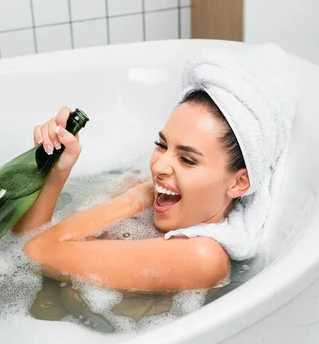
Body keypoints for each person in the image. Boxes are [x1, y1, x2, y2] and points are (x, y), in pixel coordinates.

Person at [17, 91, 250, 292]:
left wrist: (137, 197)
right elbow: (22, 241)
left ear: (238, 183)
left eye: (187, 160)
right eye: (161, 145)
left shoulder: (203, 256)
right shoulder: (162, 198)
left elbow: (34, 250)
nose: (158, 167)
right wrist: (57, 171)